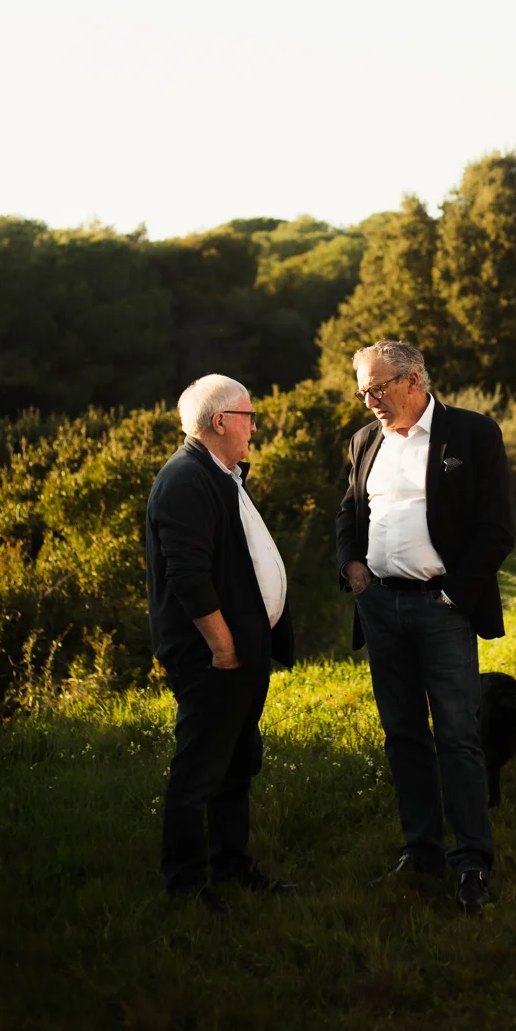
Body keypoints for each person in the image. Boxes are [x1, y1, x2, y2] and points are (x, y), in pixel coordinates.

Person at [336, 339, 515, 913]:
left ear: (414, 380)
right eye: (362, 391)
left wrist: (452, 596)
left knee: (458, 737)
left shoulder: (472, 434)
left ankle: (472, 864)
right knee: (403, 735)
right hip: (380, 608)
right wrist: (353, 569)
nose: (370, 402)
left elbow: (497, 528)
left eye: (378, 388)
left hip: (441, 609)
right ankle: (422, 853)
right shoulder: (365, 441)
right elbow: (348, 513)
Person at [146, 373, 295, 899]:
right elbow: (187, 575)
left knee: (235, 764)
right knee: (199, 770)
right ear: (220, 421)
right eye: (249, 417)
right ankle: (185, 887)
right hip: (213, 659)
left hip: (241, 653)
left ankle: (231, 868)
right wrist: (224, 647)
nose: (255, 426)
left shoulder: (220, 472)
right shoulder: (186, 479)